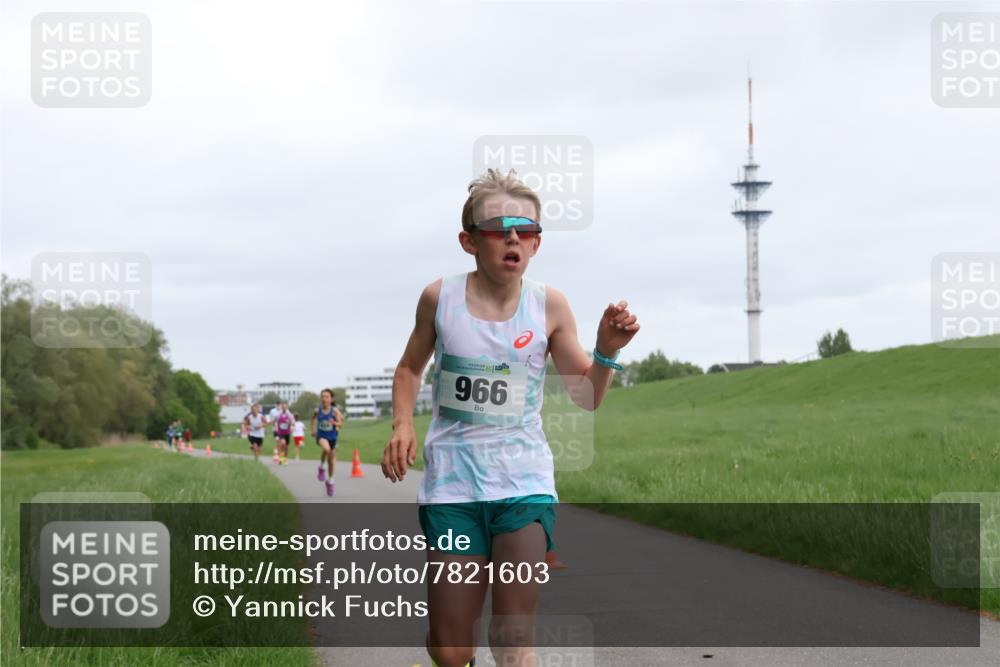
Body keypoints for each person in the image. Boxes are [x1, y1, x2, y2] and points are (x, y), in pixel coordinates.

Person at [381, 169, 639, 667]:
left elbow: (585, 396)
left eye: (527, 229)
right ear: (469, 240)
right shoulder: (440, 299)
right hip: (452, 492)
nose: (514, 237)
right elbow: (410, 369)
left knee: (513, 638)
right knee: (451, 648)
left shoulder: (550, 305)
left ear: (537, 244)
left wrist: (605, 351)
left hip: (523, 487)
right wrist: (403, 425)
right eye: (500, 228)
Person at [311, 388, 343, 497]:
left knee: (332, 462)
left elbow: (340, 424)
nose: (324, 398)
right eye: (322, 396)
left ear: (331, 399)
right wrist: (313, 430)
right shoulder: (317, 410)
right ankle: (321, 467)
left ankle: (330, 481)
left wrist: (334, 422)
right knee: (326, 449)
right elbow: (314, 419)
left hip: (332, 437)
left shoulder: (335, 411)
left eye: (327, 397)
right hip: (321, 436)